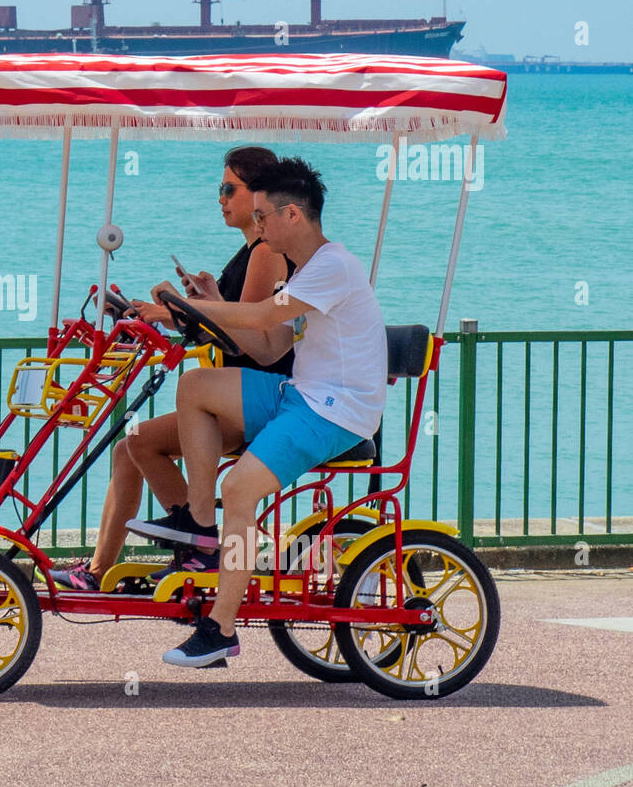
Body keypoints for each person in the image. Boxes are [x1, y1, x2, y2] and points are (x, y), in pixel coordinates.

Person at [125, 157, 388, 668]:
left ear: (292, 214)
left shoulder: (334, 265)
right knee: (197, 386)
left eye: (264, 216)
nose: (259, 226)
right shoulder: (310, 271)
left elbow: (265, 314)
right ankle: (200, 523)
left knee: (240, 489)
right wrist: (207, 304)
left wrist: (186, 306)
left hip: (335, 411)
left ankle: (221, 628)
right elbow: (268, 348)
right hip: (301, 391)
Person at [49, 146, 292, 593]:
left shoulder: (264, 254)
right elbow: (231, 322)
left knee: (141, 439)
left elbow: (254, 337)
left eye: (228, 188)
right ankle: (113, 567)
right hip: (237, 393)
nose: (220, 198)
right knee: (132, 447)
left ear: (258, 195)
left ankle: (199, 546)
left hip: (257, 396)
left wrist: (172, 312)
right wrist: (196, 304)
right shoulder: (249, 253)